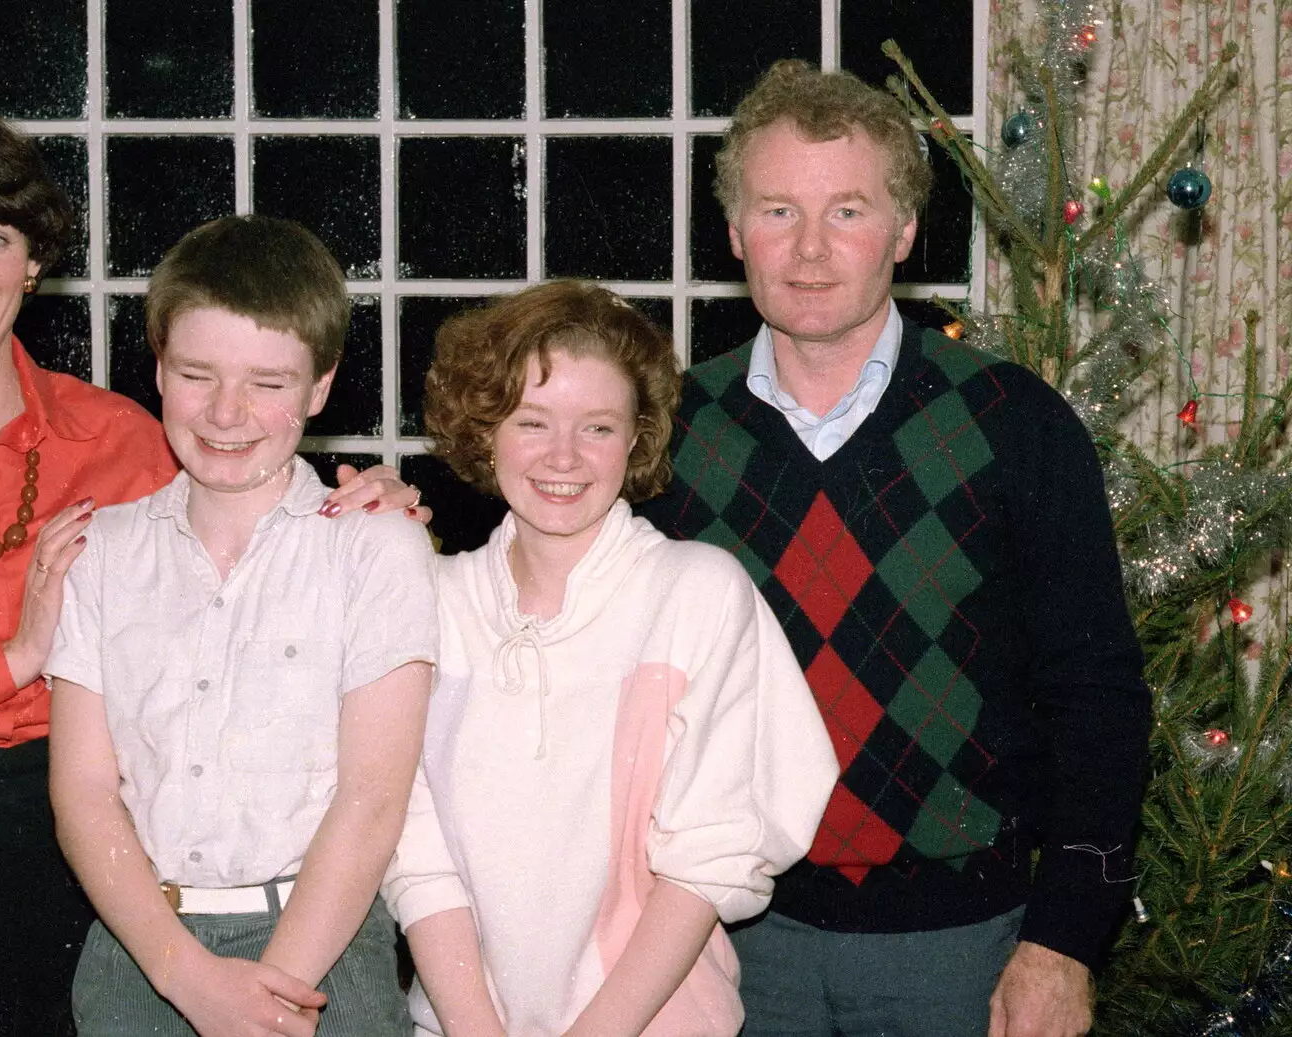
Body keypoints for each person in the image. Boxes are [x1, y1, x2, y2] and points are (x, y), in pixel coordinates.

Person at [0, 110, 417, 1036]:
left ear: (34, 260)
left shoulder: (124, 438)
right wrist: (13, 658)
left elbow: (254, 539)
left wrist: (376, 501)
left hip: (93, 865)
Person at [636, 61, 1151, 1037]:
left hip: (962, 944)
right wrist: (389, 512)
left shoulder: (1015, 424)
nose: (812, 250)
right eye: (779, 210)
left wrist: (1067, 940)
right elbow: (544, 611)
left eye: (849, 211)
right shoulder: (664, 428)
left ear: (905, 231)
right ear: (736, 230)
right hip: (719, 939)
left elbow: (1098, 695)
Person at [383, 281, 837, 1037]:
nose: (563, 456)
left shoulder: (695, 593)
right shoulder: (432, 603)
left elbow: (708, 859)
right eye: (532, 421)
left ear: (635, 439)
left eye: (597, 426)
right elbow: (415, 855)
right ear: (484, 428)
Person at [46, 214, 437, 1037]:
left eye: (268, 382)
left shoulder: (374, 548)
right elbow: (83, 792)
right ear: (156, 367)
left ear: (319, 388)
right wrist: (183, 975)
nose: (228, 412)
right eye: (198, 374)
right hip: (141, 953)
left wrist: (275, 996)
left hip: (323, 954)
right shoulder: (101, 552)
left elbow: (371, 799)